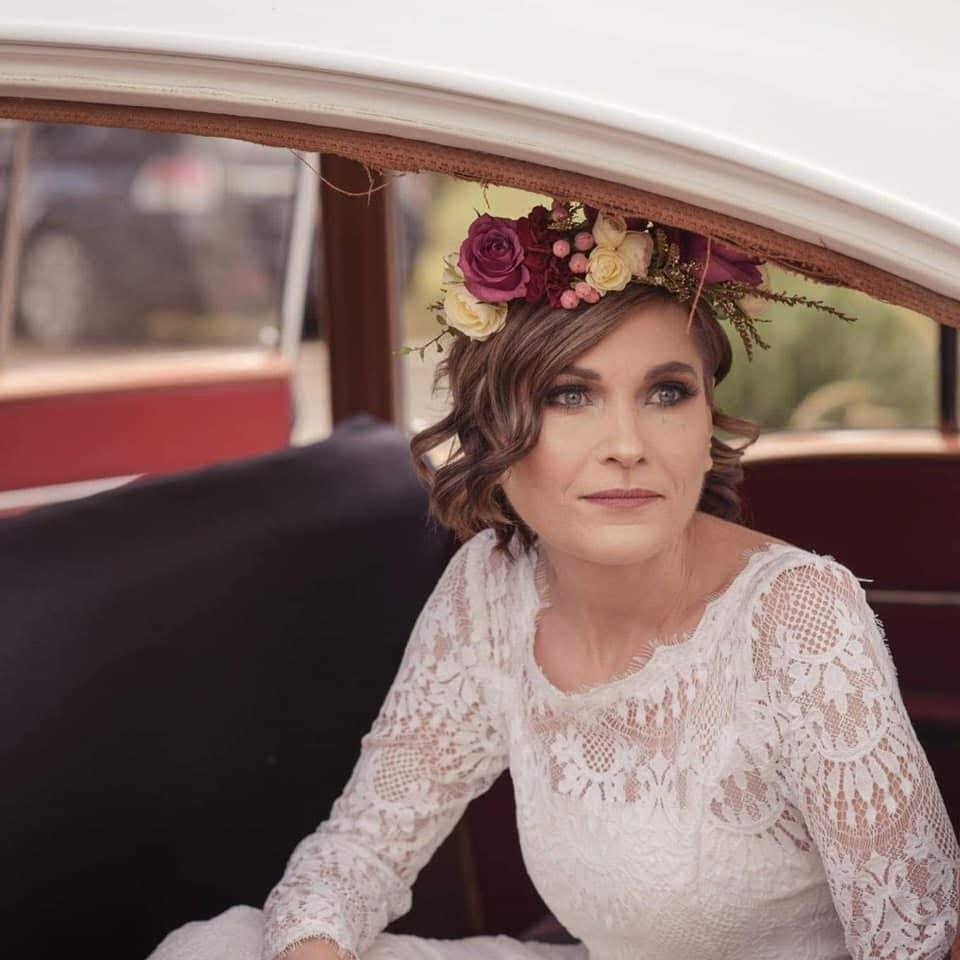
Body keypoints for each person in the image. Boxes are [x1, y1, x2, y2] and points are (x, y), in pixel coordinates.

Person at [149, 204, 960, 960]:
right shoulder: (491, 589)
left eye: (666, 392)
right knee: (216, 950)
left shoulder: (797, 617)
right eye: (571, 394)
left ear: (707, 420)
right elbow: (360, 849)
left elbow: (918, 947)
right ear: (496, 431)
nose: (627, 445)